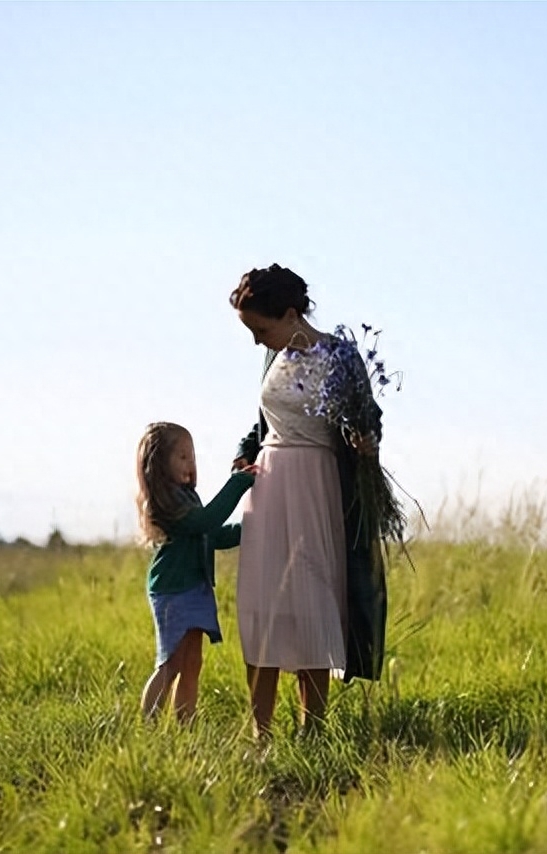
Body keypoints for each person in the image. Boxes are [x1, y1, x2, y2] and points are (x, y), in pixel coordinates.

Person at [228, 264, 387, 738]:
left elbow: (369, 419)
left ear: (292, 313)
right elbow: (261, 423)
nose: (258, 341)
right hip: (269, 483)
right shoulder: (271, 357)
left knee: (311, 601)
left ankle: (311, 728)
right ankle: (260, 729)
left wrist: (367, 441)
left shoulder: (341, 357)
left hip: (318, 485)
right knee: (260, 602)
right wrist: (243, 455)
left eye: (262, 328)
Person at [136, 421, 257, 723]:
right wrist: (237, 484)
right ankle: (147, 726)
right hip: (174, 591)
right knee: (171, 663)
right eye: (182, 457)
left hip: (194, 589)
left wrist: (252, 528)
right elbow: (205, 522)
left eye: (192, 456)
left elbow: (211, 535)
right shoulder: (169, 502)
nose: (191, 463)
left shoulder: (188, 497)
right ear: (159, 465)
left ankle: (185, 726)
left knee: (192, 662)